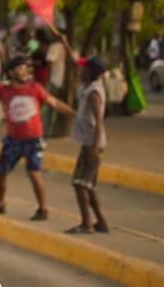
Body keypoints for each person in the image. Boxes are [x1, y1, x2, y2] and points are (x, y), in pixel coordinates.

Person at [0, 51, 75, 221]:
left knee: (34, 173)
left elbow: (54, 103)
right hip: (12, 140)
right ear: (11, 71)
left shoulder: (35, 89)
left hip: (33, 141)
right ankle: (0, 203)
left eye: (26, 68)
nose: (25, 71)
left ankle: (43, 209)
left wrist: (74, 113)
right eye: (21, 68)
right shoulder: (4, 90)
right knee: (1, 172)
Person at [68, 56, 109, 234]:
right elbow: (76, 61)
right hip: (91, 142)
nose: (81, 71)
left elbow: (99, 121)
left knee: (79, 183)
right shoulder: (89, 88)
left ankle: (86, 223)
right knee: (88, 185)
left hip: (92, 144)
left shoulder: (93, 93)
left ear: (91, 72)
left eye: (84, 69)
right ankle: (101, 222)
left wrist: (93, 147)